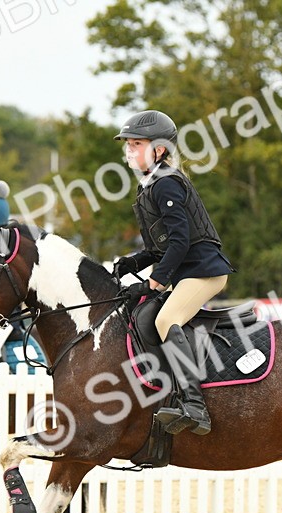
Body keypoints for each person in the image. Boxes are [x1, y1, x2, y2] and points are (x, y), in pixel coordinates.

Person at [111, 110, 234, 436]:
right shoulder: (148, 186)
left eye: (137, 144)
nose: (129, 150)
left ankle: (194, 405)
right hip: (187, 269)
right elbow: (159, 248)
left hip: (204, 271)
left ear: (160, 149)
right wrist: (132, 263)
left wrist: (157, 279)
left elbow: (180, 243)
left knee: (166, 320)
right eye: (128, 144)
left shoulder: (166, 184)